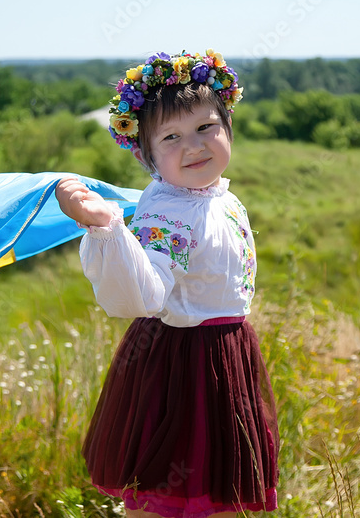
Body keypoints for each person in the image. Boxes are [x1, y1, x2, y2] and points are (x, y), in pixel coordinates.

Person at [55, 50, 279, 517]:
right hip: (184, 359)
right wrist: (106, 228)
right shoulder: (170, 212)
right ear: (147, 155)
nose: (194, 146)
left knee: (218, 491)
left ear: (228, 127)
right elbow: (144, 294)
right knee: (168, 494)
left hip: (224, 351)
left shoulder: (216, 194)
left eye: (205, 128)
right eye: (172, 137)